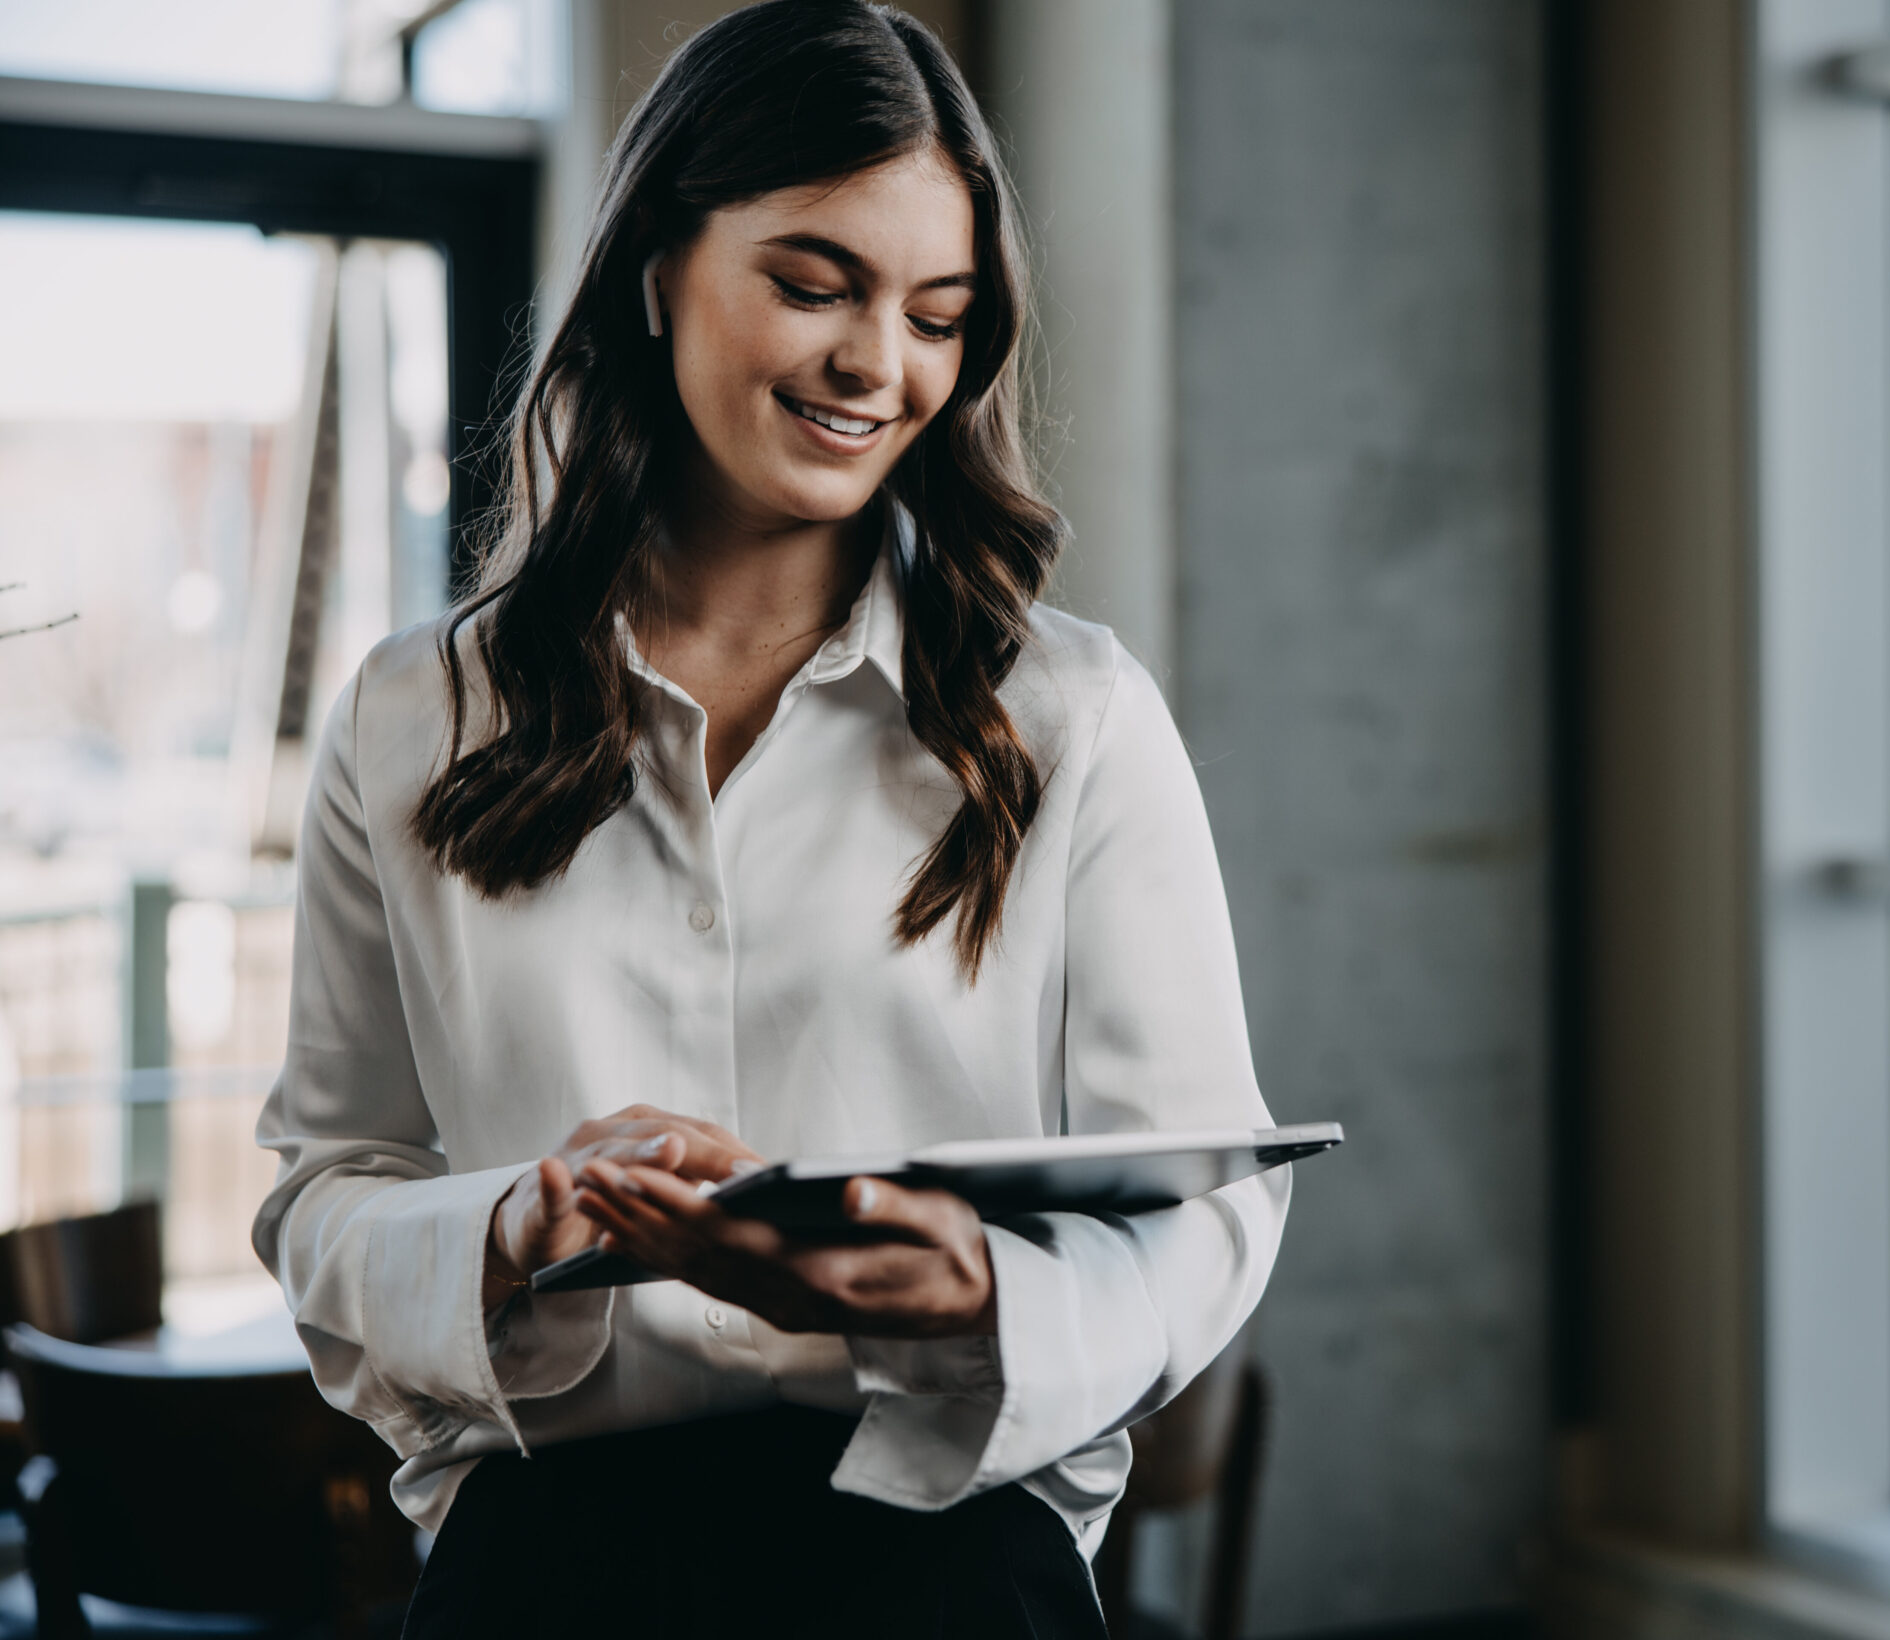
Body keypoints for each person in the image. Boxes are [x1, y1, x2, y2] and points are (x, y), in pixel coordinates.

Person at [250, 5, 1287, 1633]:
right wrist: (514, 1225)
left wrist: (981, 1293)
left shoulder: (1074, 718)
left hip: (947, 1565)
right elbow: (327, 1191)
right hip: (547, 1575)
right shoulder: (411, 719)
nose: (880, 364)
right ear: (657, 271)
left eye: (938, 315)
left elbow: (1219, 1205)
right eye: (815, 285)